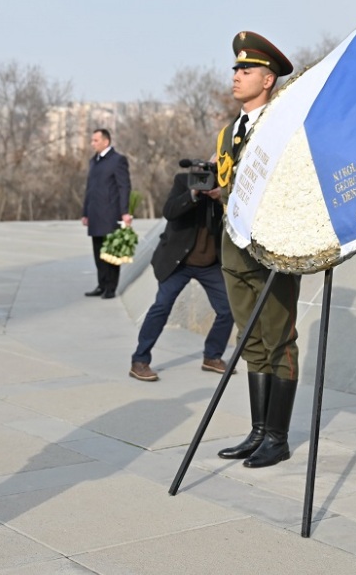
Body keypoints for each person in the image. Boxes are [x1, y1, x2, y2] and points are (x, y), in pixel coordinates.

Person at [213, 32, 301, 469]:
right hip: (235, 251)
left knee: (279, 340)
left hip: (273, 250)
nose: (236, 76)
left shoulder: (283, 128)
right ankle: (259, 430)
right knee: (250, 341)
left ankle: (278, 436)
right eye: (235, 69)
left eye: (246, 70)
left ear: (268, 80)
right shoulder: (230, 132)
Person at [128, 170, 234, 382]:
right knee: (161, 306)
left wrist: (221, 196)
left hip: (209, 263)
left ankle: (212, 356)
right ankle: (140, 360)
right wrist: (192, 194)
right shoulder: (183, 181)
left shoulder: (227, 188)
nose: (207, 175)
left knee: (228, 308)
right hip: (179, 262)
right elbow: (170, 211)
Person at [80, 128, 131, 299]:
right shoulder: (93, 161)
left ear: (106, 141)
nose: (92, 143)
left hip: (111, 213)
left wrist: (125, 212)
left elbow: (124, 187)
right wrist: (85, 212)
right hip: (94, 213)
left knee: (111, 253)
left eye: (95, 140)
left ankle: (110, 288)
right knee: (98, 252)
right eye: (92, 140)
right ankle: (101, 285)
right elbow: (89, 189)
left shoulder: (118, 160)